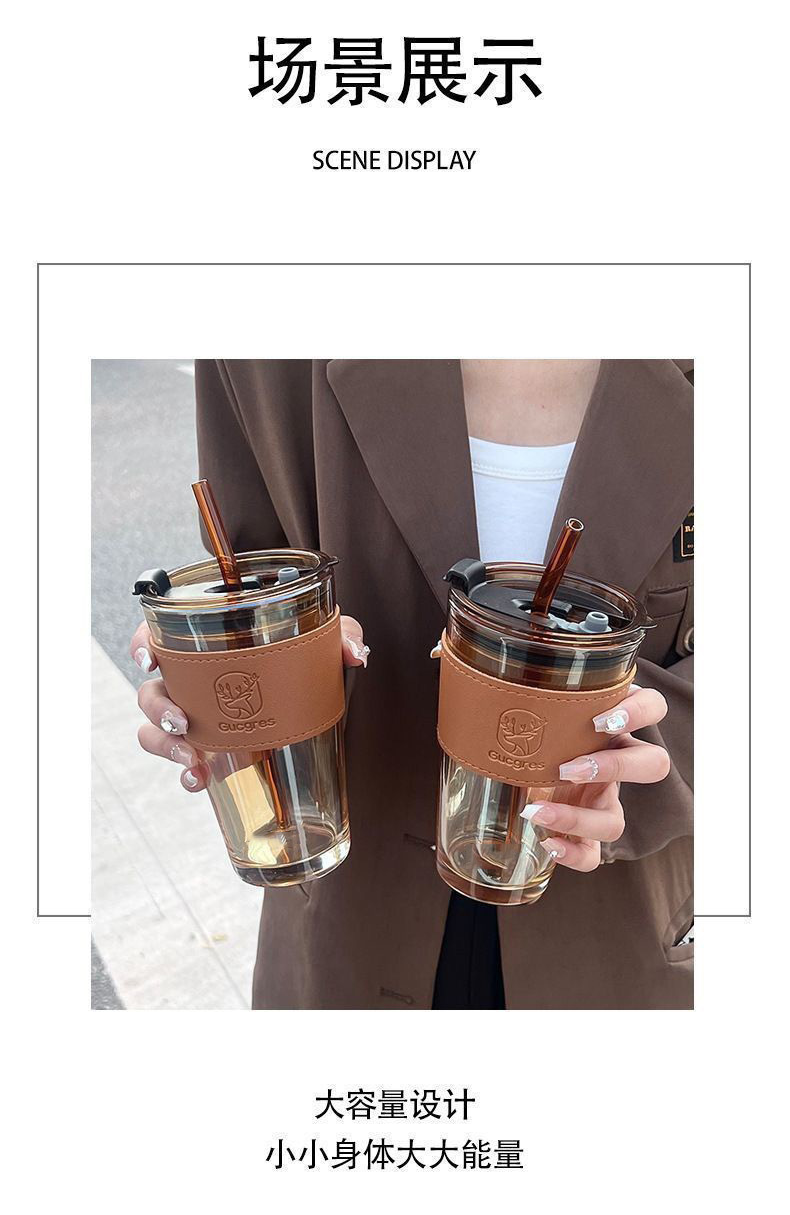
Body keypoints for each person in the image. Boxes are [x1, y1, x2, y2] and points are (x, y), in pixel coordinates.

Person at [131, 359, 693, 1009]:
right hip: (351, 907)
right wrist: (216, 673)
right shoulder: (261, 357)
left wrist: (636, 755)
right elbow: (250, 574)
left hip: (623, 933)